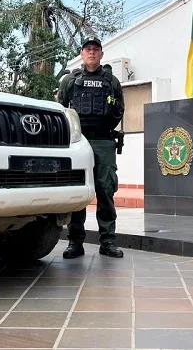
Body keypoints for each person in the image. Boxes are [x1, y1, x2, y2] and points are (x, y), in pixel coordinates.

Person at [56, 36, 124, 259]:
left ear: (102, 54)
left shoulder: (112, 81)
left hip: (104, 142)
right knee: (79, 192)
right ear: (82, 53)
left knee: (106, 190)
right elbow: (61, 111)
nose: (92, 53)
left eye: (96, 49)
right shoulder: (69, 80)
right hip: (78, 142)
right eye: (88, 49)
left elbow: (119, 110)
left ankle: (108, 242)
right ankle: (75, 242)